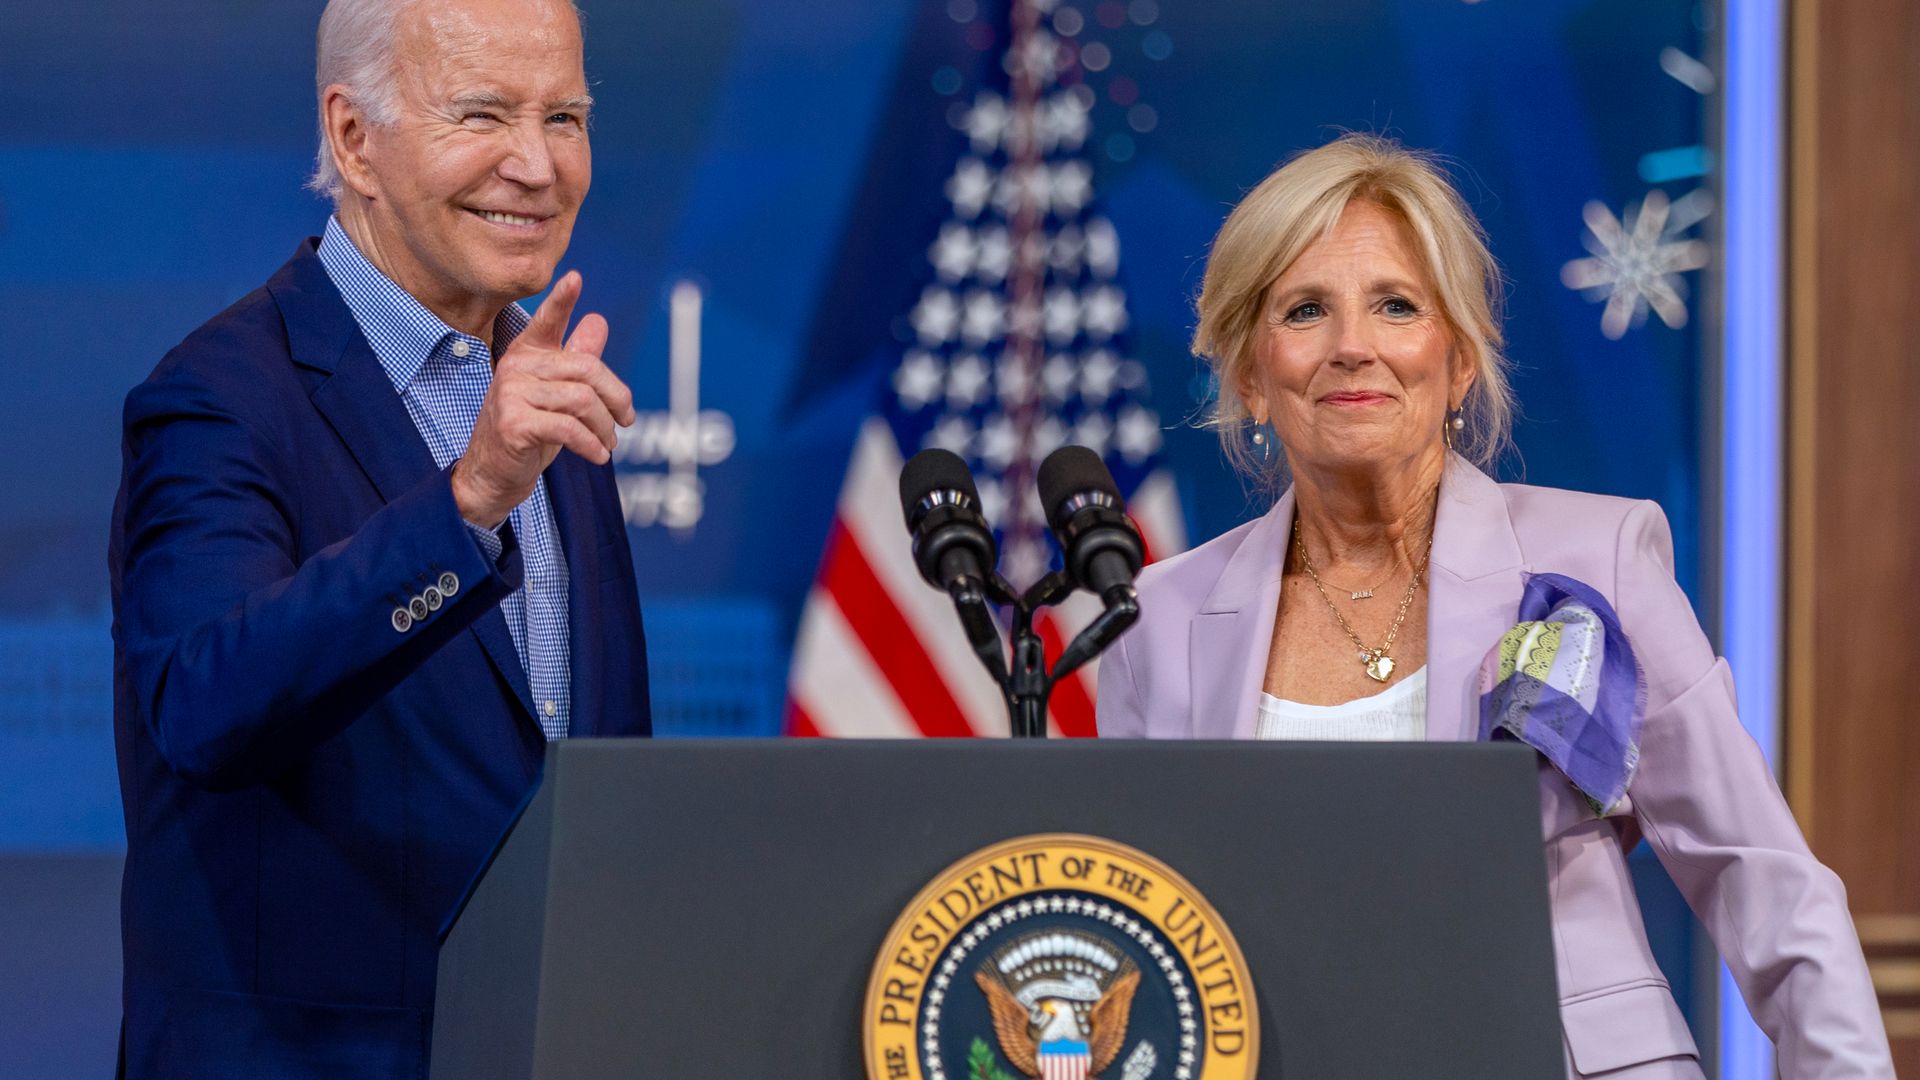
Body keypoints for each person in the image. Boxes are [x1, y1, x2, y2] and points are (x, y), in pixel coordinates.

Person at [1095, 134, 1892, 1078]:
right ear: (1249, 377)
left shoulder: (1598, 557)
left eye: (1397, 305)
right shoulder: (1160, 619)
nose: (1353, 346)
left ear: (1461, 360)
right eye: (1305, 310)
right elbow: (1137, 933)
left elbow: (1759, 876)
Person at [108, 0, 649, 1074]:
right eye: (483, 114)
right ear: (354, 138)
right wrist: (469, 500)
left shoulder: (540, 387)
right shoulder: (218, 399)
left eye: (565, 117)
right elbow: (205, 710)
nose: (537, 165)